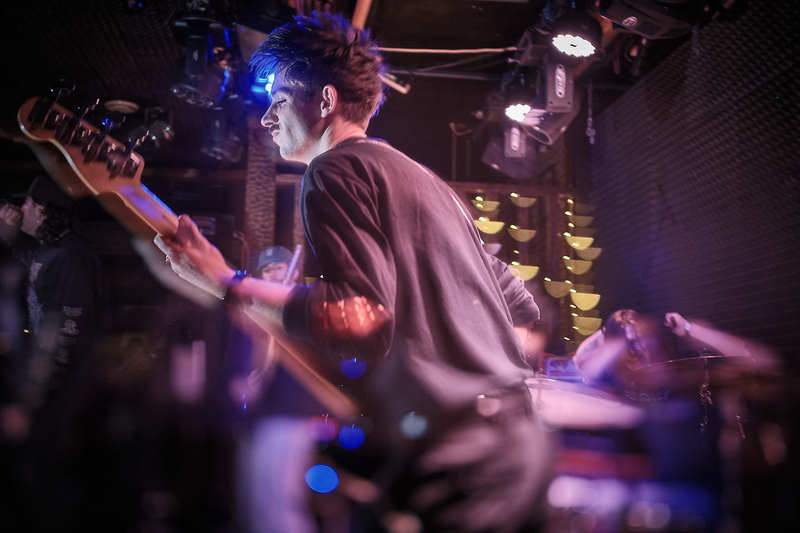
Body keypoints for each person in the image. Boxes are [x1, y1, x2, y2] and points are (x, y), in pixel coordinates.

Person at [156, 11, 552, 533]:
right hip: (520, 444)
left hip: (463, 457)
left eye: (279, 100)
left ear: (325, 101)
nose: (267, 118)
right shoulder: (428, 182)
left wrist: (223, 282)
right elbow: (521, 305)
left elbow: (360, 320)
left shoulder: (335, 169)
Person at [571, 309, 781, 532]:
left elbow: (765, 365)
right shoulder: (618, 391)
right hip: (651, 501)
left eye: (645, 340)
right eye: (630, 345)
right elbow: (582, 366)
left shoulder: (687, 381)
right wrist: (612, 334)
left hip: (701, 503)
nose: (639, 350)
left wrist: (692, 330)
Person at [0, 175, 106, 531]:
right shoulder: (47, 251)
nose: (21, 208)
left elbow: (62, 335)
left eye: (28, 203)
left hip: (61, 397)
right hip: (49, 396)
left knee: (48, 490)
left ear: (44, 209)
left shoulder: (72, 257)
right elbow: (25, 263)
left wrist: (30, 401)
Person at [228, 245, 333, 533]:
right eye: (268, 269)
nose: (274, 274)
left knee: (279, 501)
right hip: (266, 416)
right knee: (256, 502)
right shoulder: (261, 307)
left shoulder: (305, 306)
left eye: (279, 268)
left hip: (292, 415)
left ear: (294, 271)